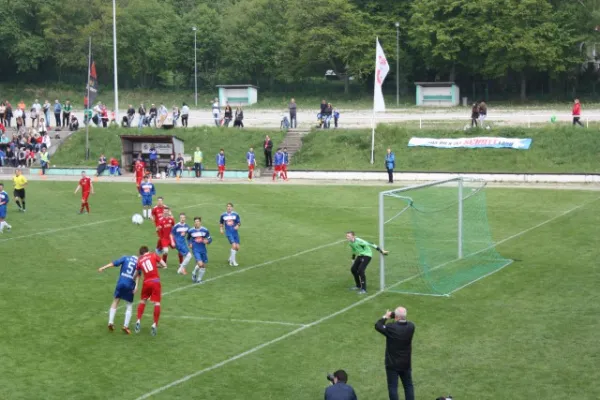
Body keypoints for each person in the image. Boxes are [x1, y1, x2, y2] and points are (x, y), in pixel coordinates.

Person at [375, 307, 416, 400]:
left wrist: (386, 316)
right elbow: (403, 323)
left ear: (396, 317)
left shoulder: (391, 327)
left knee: (393, 387)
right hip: (406, 363)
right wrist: (396, 317)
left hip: (392, 363)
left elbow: (378, 325)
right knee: (408, 386)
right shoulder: (411, 326)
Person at [98, 254, 139, 334]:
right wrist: (136, 286)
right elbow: (138, 275)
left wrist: (103, 268)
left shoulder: (125, 258)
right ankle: (125, 326)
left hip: (121, 283)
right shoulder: (138, 263)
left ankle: (110, 322)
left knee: (116, 301)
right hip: (130, 284)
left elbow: (113, 263)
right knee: (129, 304)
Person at [134, 246, 167, 336]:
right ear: (147, 251)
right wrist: (156, 266)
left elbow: (137, 273)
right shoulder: (153, 255)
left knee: (143, 301)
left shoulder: (139, 260)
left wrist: (133, 279)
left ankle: (138, 320)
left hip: (146, 282)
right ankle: (154, 324)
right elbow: (164, 265)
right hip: (155, 282)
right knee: (157, 303)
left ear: (141, 253)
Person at [188, 216, 212, 283]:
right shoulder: (191, 231)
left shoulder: (205, 230)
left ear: (200, 222)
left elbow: (210, 238)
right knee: (200, 264)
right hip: (195, 249)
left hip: (203, 249)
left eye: (198, 221)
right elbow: (188, 238)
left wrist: (207, 241)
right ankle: (199, 280)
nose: (196, 223)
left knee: (203, 265)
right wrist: (190, 243)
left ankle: (195, 275)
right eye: (195, 222)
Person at [219, 202, 241, 267]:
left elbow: (239, 222)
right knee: (234, 246)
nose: (229, 207)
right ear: (226, 207)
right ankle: (233, 262)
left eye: (230, 206)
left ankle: (230, 258)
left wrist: (238, 226)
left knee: (237, 248)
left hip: (235, 232)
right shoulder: (223, 215)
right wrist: (221, 229)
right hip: (228, 232)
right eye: (228, 206)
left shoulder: (235, 214)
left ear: (232, 208)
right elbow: (221, 223)